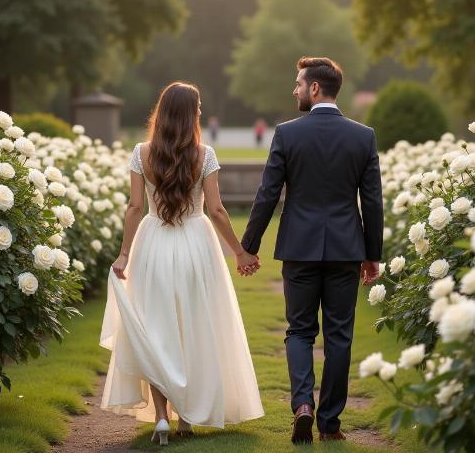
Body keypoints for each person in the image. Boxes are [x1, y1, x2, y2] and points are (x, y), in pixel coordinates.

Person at [99, 82, 263, 445]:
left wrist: (125, 253)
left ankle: (161, 418)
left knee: (157, 330)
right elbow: (217, 210)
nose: (201, 113)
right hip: (195, 244)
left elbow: (135, 208)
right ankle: (186, 417)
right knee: (193, 327)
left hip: (153, 242)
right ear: (190, 114)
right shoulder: (204, 155)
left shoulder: (141, 153)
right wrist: (239, 251)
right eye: (199, 108)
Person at [241, 57, 384, 444]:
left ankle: (302, 404)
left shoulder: (287, 134)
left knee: (300, 331)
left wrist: (248, 247)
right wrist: (373, 254)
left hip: (299, 249)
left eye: (298, 83)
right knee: (339, 336)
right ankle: (330, 423)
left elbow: (267, 194)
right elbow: (372, 202)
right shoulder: (363, 136)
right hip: (345, 249)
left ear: (315, 88)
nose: (295, 90)